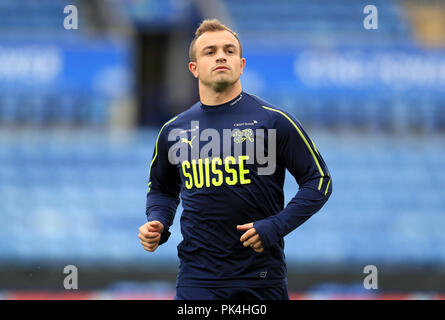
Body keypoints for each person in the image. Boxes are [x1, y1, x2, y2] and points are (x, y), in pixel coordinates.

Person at [138, 19, 332, 300]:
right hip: (196, 281)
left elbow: (319, 181)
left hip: (260, 281)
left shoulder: (274, 120)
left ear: (241, 64)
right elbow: (162, 189)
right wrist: (157, 221)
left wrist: (276, 226)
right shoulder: (174, 130)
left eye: (229, 51)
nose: (220, 56)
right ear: (194, 68)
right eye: (210, 51)